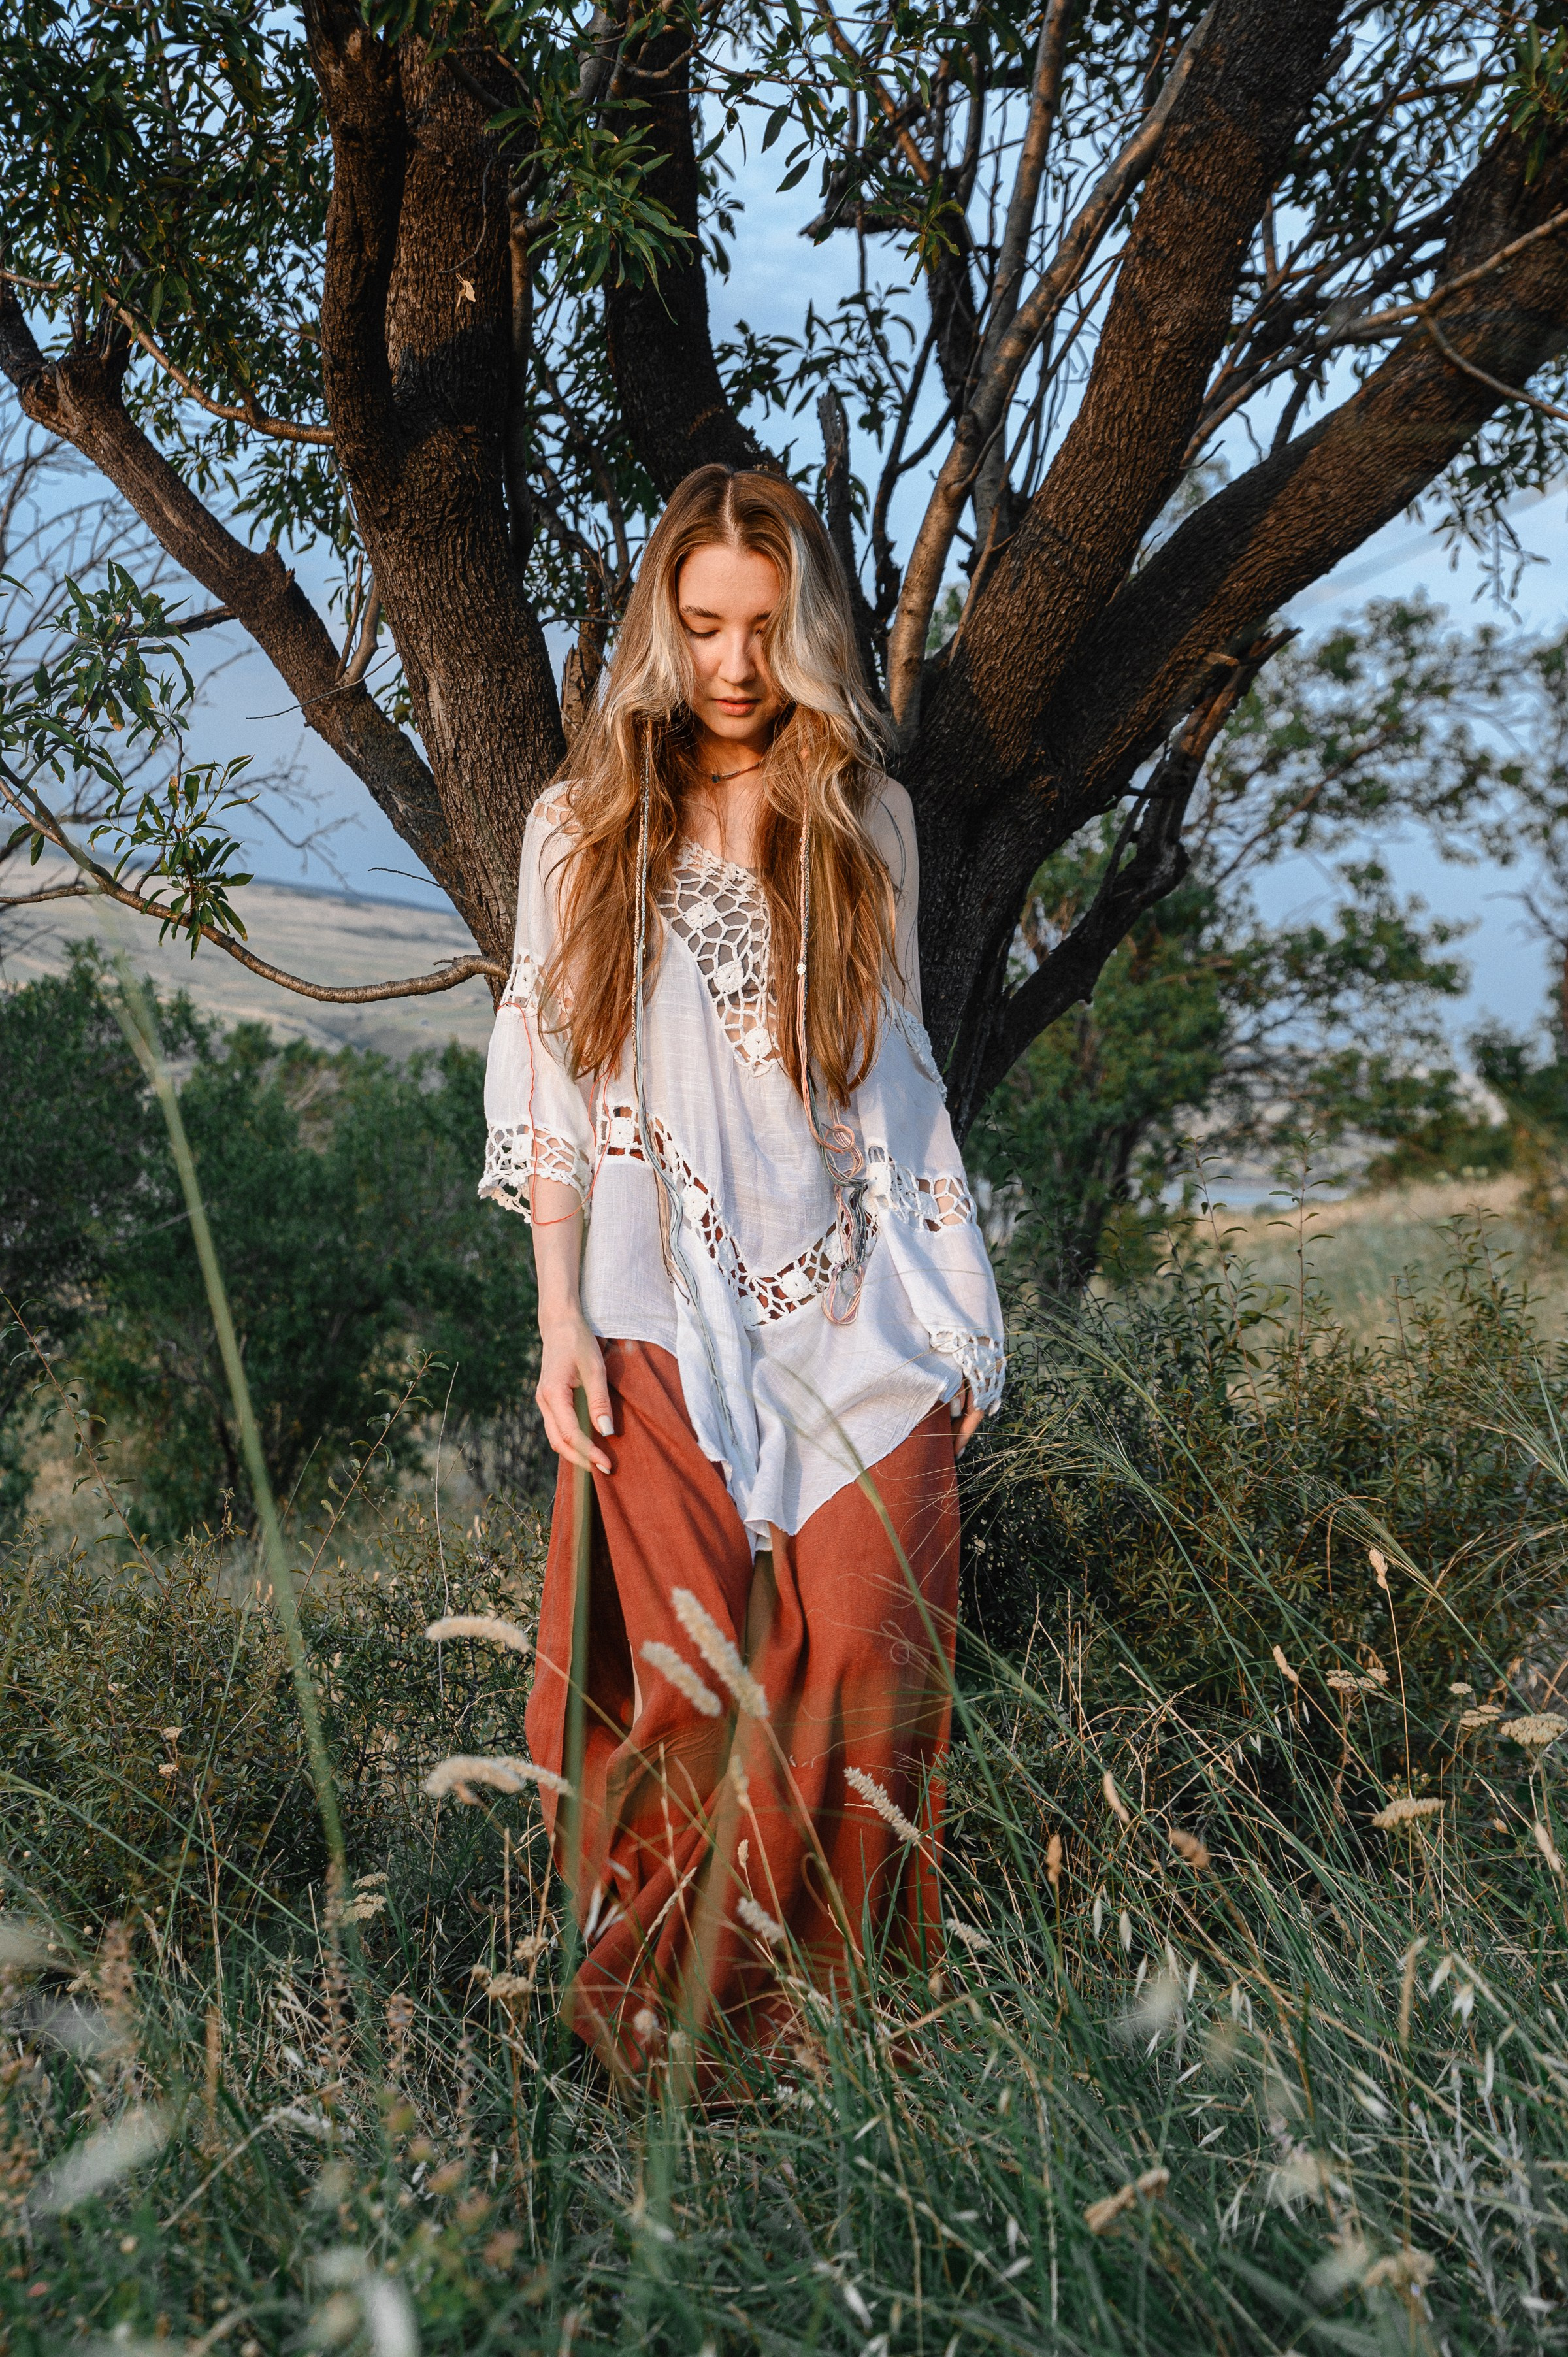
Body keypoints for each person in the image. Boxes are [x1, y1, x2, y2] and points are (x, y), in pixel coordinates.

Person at [480, 463, 1004, 2077]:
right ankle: (668, 2043)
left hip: (860, 1305)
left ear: (808, 635)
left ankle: (831, 2035)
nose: (728, 664)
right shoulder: (580, 826)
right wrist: (560, 1313)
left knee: (865, 1651)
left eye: (763, 630)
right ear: (659, 622)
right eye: (701, 625)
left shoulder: (870, 819)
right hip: (651, 1312)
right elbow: (553, 1077)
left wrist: (961, 1318)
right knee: (700, 1692)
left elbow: (900, 1071)